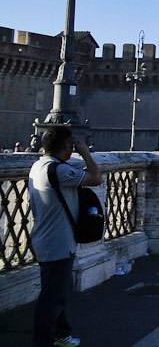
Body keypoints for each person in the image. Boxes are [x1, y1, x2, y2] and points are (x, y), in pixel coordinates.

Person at [28, 125, 102, 347]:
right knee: (52, 299)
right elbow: (96, 177)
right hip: (57, 242)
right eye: (71, 145)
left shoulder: (38, 166)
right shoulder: (59, 171)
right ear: (66, 147)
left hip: (46, 238)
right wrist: (86, 153)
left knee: (57, 291)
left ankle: (61, 334)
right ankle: (44, 342)